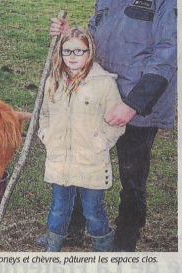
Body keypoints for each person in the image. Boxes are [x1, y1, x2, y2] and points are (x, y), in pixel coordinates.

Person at [45, 0, 177, 251]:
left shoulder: (164, 3)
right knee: (83, 162)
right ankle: (73, 231)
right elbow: (93, 39)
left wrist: (133, 104)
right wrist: (70, 35)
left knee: (133, 177)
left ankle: (126, 240)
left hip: (137, 107)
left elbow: (168, 53)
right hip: (98, 98)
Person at [38, 27, 125, 252]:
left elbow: (116, 122)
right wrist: (46, 135)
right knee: (59, 206)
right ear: (60, 53)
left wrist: (100, 144)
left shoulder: (104, 84)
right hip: (60, 159)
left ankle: (103, 248)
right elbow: (45, 114)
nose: (72, 57)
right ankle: (53, 245)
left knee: (92, 210)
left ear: (90, 52)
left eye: (79, 51)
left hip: (91, 161)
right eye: (67, 51)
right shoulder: (53, 81)